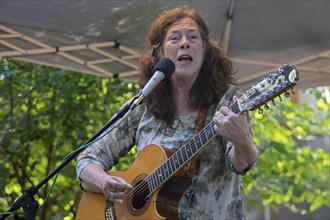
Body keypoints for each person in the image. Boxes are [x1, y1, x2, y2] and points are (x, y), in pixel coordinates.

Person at [76, 6, 259, 220]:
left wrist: (243, 140)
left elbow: (240, 164)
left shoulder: (227, 100)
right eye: (174, 38)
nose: (185, 43)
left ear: (205, 50)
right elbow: (87, 159)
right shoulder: (144, 103)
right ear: (159, 53)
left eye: (193, 37)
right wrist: (103, 182)